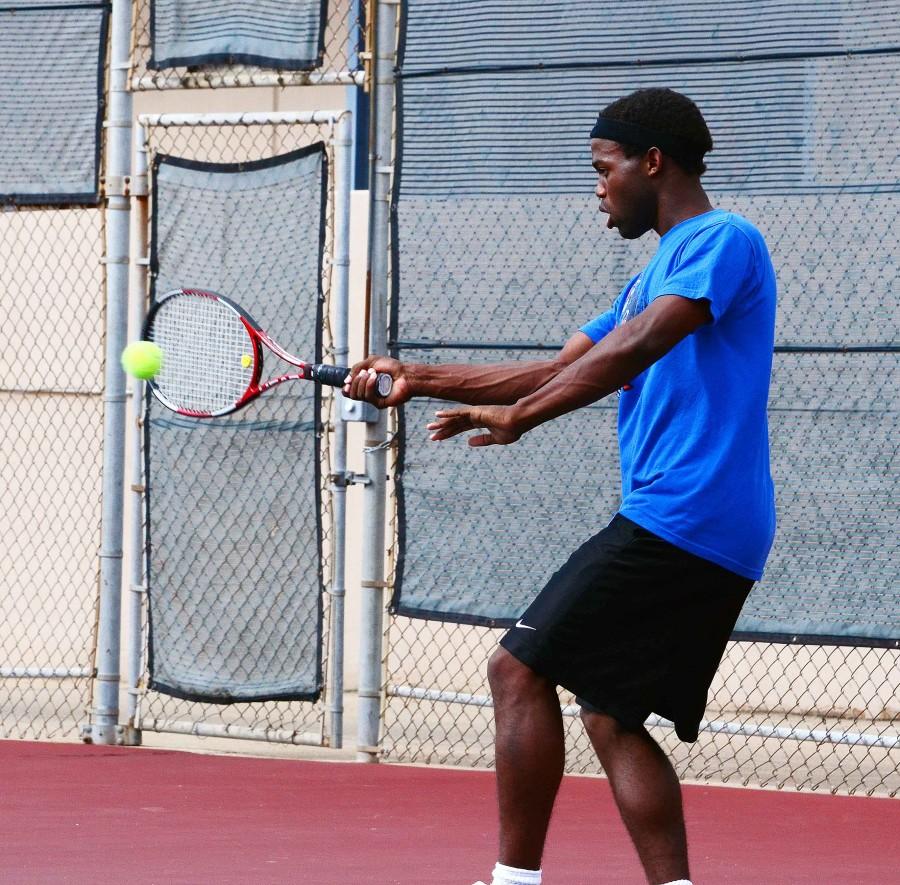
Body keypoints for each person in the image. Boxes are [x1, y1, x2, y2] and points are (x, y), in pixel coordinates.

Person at [344, 87, 777, 885]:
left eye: (603, 168)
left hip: (687, 513)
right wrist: (419, 375)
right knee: (610, 712)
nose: (597, 188)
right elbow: (559, 365)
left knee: (516, 669)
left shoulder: (725, 239)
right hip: (701, 521)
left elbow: (638, 347)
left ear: (652, 162)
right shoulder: (652, 273)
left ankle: (514, 883)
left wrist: (527, 419)